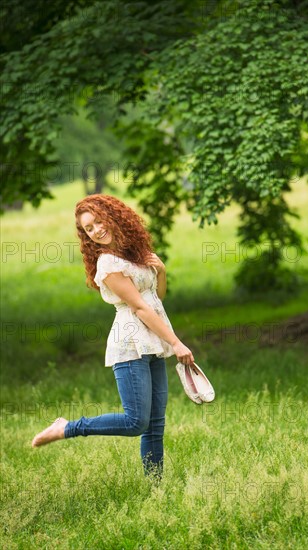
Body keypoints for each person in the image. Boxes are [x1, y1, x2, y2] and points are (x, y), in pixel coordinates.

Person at [32, 194, 195, 479]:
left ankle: (155, 489)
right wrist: (176, 342)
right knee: (136, 422)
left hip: (152, 342)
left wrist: (161, 271)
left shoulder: (133, 252)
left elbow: (155, 298)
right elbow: (141, 308)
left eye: (97, 222)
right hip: (130, 345)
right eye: (88, 228)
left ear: (114, 216)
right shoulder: (107, 263)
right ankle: (67, 428)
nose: (96, 230)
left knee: (155, 424)